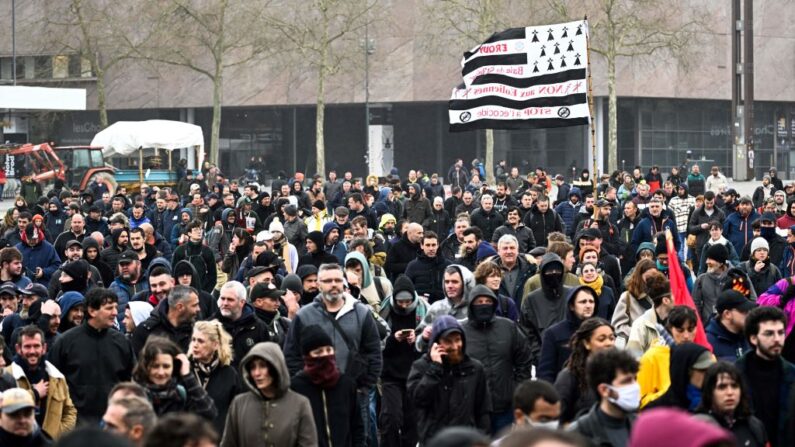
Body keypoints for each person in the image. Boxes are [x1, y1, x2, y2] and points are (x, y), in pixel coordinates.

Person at [283, 263, 382, 441]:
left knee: (357, 439)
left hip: (354, 394)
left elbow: (374, 353)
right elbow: (291, 355)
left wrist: (363, 387)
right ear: (319, 284)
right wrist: (302, 385)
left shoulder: (361, 313)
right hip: (313, 395)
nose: (333, 284)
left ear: (344, 283)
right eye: (328, 281)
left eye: (337, 280)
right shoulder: (304, 316)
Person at [48, 287, 136, 424]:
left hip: (112, 423)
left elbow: (130, 380)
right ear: (91, 311)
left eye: (115, 307)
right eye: (108, 308)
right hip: (76, 425)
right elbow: (54, 383)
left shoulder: (121, 342)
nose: (114, 313)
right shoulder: (65, 342)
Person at [407, 315, 490, 444]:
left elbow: (483, 409)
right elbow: (418, 400)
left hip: (466, 440)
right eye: (448, 341)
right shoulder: (421, 366)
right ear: (436, 343)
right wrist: (435, 369)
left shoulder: (474, 368)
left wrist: (482, 439)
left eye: (457, 340)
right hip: (434, 440)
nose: (455, 346)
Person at [462, 285, 533, 434]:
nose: (483, 305)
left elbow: (524, 360)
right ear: (471, 305)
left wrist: (516, 389)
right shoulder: (461, 332)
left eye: (487, 301)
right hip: (473, 409)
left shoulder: (508, 327)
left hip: (505, 407)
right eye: (479, 302)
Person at [221, 342, 317, 446]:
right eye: (253, 367)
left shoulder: (300, 404)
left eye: (262, 366)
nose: (257, 373)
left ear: (276, 367)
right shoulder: (239, 404)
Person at [290, 325, 364, 447]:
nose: (325, 355)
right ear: (307, 356)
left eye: (328, 350)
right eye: (318, 352)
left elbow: (357, 427)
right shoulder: (296, 387)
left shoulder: (346, 384)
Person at [378, 275, 426, 447]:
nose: (404, 305)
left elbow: (429, 341)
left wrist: (418, 338)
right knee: (391, 419)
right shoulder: (385, 310)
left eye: (407, 301)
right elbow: (378, 343)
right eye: (400, 302)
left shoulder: (423, 310)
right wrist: (393, 338)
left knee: (411, 423)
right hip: (391, 374)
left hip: (414, 374)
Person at [736, 306, 795, 447]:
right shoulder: (735, 375)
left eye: (781, 333)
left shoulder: (791, 374)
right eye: (769, 334)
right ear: (753, 338)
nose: (777, 339)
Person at [3, 325, 76, 439]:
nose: (32, 351)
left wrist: (57, 433)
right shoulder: (6, 377)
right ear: (18, 349)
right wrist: (34, 394)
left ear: (44, 348)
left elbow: (70, 411)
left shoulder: (57, 377)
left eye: (36, 346)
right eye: (27, 346)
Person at [131, 337, 216, 419]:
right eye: (155, 366)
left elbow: (209, 411)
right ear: (145, 366)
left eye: (166, 366)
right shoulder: (134, 395)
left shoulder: (180, 394)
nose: (161, 372)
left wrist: (187, 376)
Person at [568, 348, 639, 446]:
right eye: (626, 381)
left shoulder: (641, 426)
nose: (635, 386)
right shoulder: (578, 434)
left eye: (635, 379)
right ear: (604, 390)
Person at [554, 318, 616, 425]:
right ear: (586, 343)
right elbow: (557, 418)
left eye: (611, 338)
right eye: (601, 339)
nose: (608, 343)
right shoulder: (570, 376)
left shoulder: (619, 374)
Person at [695, 362, 768, 447]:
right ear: (710, 392)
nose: (730, 393)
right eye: (722, 387)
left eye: (734, 386)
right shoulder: (698, 426)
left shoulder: (754, 426)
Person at [537, 286, 598, 383]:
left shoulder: (600, 330)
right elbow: (545, 372)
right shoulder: (554, 333)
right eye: (583, 302)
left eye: (591, 301)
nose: (588, 305)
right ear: (572, 306)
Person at [520, 253, 570, 363]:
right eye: (549, 271)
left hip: (571, 359)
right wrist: (539, 356)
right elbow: (527, 332)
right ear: (542, 273)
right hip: (544, 361)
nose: (553, 274)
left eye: (557, 271)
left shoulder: (571, 295)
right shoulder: (531, 300)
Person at [644, 342, 715, 412]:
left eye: (710, 369)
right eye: (703, 370)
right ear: (687, 371)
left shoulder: (715, 403)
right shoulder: (655, 411)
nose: (708, 374)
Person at [214, 281, 271, 367]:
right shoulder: (211, 326)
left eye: (230, 299)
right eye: (222, 298)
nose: (225, 303)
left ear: (242, 302)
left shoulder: (258, 328)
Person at [131, 285, 201, 354]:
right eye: (194, 305)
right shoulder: (146, 330)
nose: (198, 309)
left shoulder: (196, 330)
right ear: (180, 307)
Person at [612, 259, 655, 348]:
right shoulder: (627, 297)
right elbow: (618, 326)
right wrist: (640, 333)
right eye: (648, 277)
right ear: (640, 276)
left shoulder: (660, 296)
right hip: (635, 348)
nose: (652, 280)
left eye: (655, 276)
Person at [706, 290, 755, 361]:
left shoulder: (750, 338)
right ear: (727, 314)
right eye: (744, 311)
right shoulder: (708, 342)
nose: (749, 314)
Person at [405, 231, 451, 304]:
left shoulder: (448, 265)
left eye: (433, 245)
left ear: (438, 245)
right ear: (422, 246)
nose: (431, 248)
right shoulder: (412, 266)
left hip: (443, 306)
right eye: (428, 245)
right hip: (420, 306)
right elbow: (406, 288)